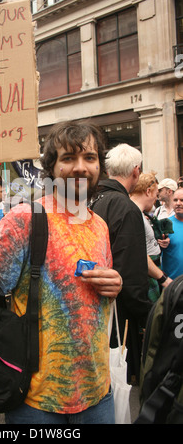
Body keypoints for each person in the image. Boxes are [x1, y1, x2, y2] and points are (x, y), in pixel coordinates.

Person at [0, 121, 122, 424]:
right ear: (52, 166)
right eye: (68, 158)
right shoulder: (26, 217)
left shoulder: (99, 225)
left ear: (100, 165)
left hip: (98, 393)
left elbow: (97, 289)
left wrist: (115, 283)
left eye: (89, 158)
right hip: (35, 400)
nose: (80, 167)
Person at [90, 143, 152, 384]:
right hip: (117, 316)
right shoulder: (126, 208)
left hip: (93, 311)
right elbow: (130, 274)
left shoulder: (93, 199)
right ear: (136, 172)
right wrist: (147, 314)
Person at [130, 172, 172, 302]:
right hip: (147, 275)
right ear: (148, 191)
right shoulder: (133, 214)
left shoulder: (139, 214)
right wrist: (163, 279)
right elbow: (139, 253)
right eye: (155, 195)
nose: (156, 199)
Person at [161, 187, 183, 279]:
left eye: (182, 200)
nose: (178, 203)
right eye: (175, 200)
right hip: (172, 285)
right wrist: (160, 243)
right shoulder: (165, 224)